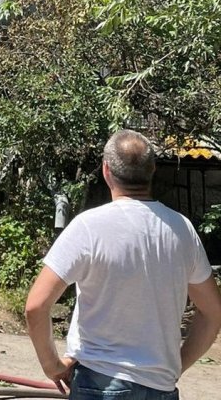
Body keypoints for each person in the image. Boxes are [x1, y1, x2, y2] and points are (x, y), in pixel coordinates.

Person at [25, 129, 221, 399]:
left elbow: (36, 306)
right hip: (161, 388)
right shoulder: (181, 230)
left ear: (106, 171)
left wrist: (52, 366)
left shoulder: (89, 227)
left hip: (100, 383)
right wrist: (174, 367)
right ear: (152, 170)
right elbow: (212, 311)